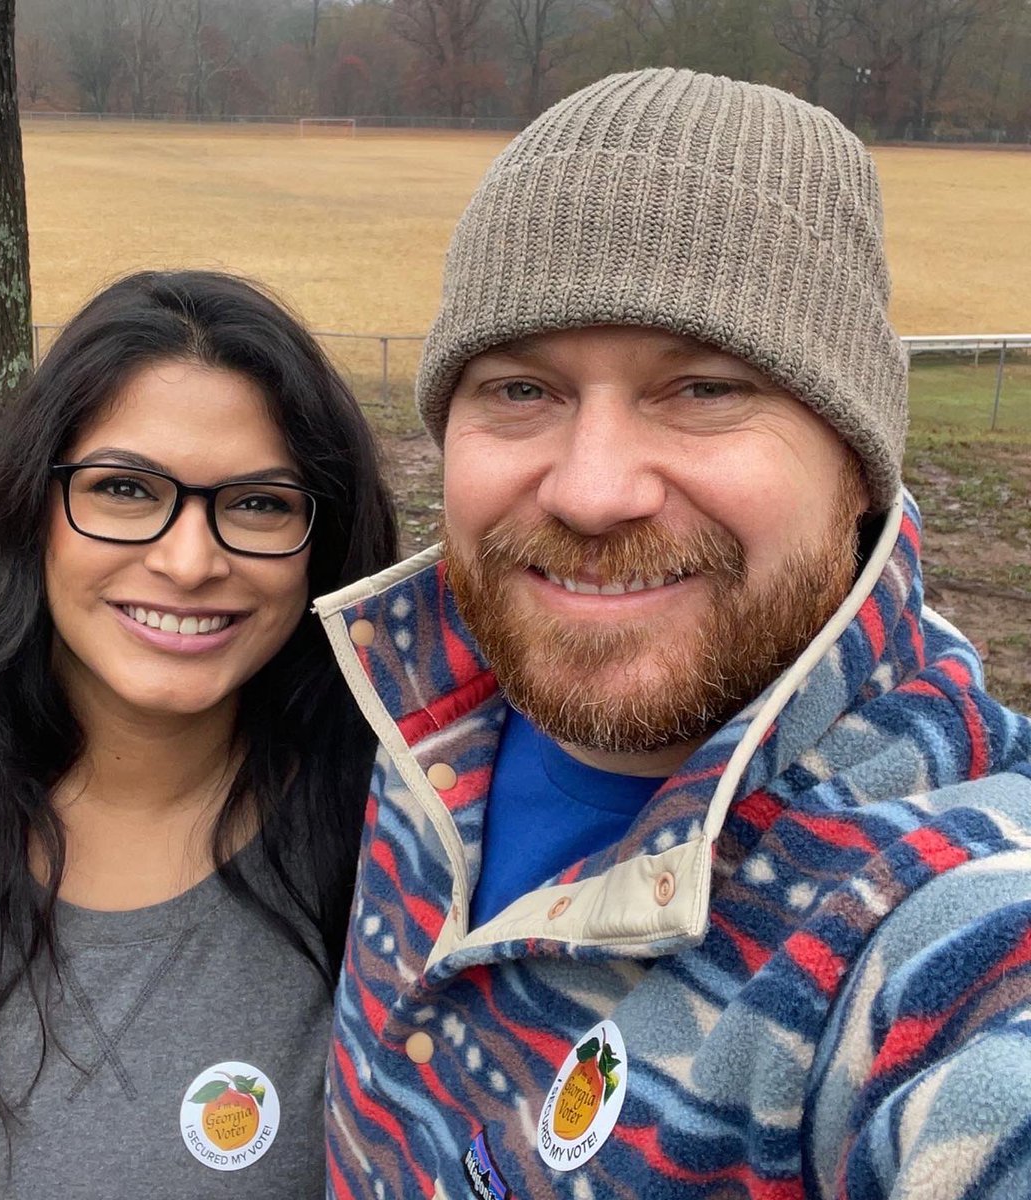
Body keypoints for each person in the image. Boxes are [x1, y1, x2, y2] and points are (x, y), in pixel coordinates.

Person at [314, 70, 1031, 1199]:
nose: (593, 492)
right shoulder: (405, 706)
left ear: (857, 470)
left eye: (702, 388)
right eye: (520, 389)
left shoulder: (931, 915)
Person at [0, 270, 397, 1199]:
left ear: (319, 544)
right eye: (127, 488)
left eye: (258, 504)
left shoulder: (407, 833)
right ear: (33, 509)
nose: (189, 561)